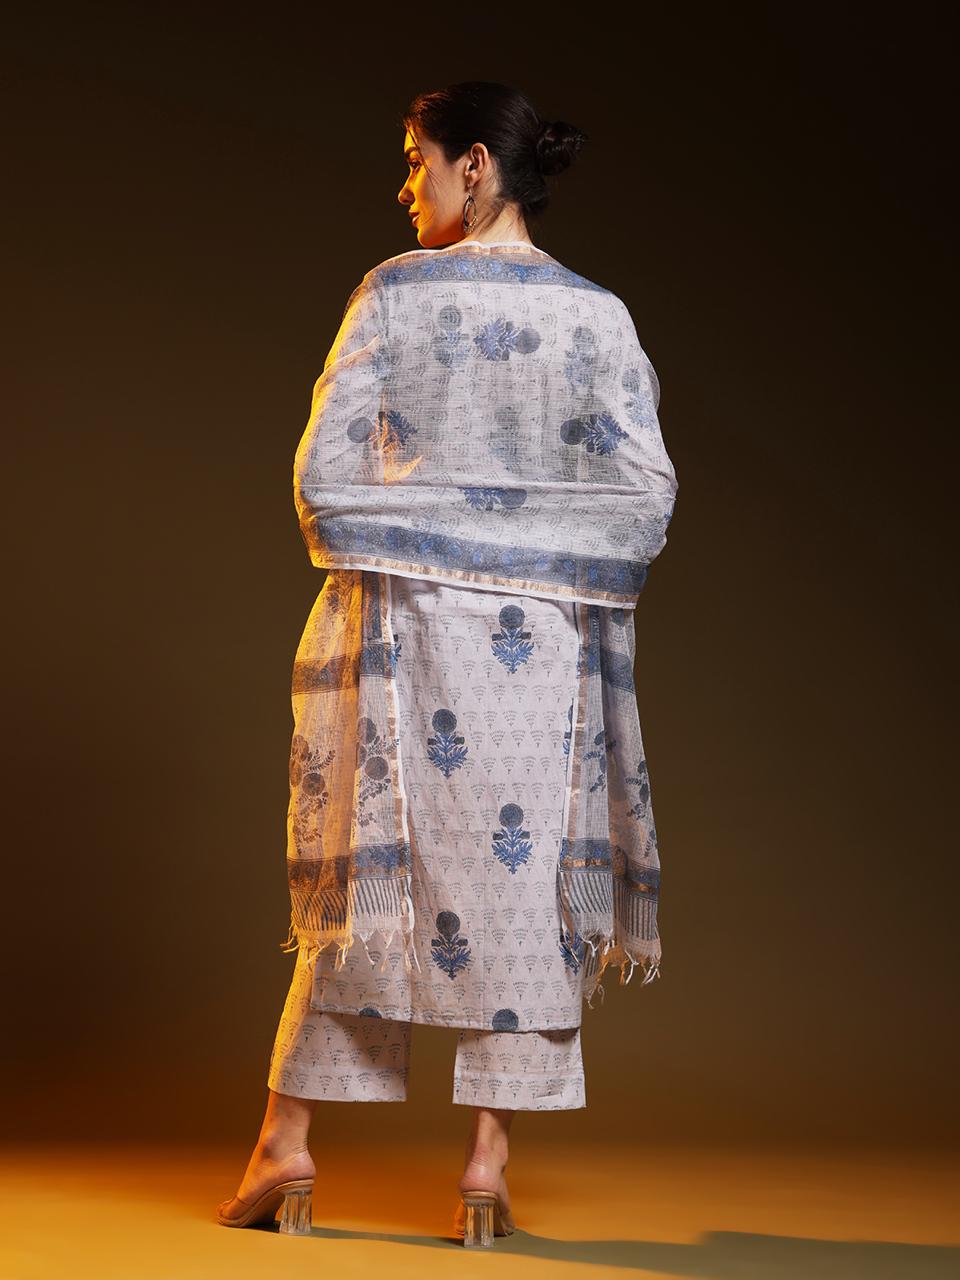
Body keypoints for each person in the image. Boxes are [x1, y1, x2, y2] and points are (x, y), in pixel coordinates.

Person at [216, 80, 678, 1248]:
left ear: (476, 165)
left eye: (415, 160)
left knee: (370, 889)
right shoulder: (598, 317)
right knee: (522, 893)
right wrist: (524, 537)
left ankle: (287, 1145)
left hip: (402, 637)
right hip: (542, 653)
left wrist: (433, 528)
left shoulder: (392, 293)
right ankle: (485, 1165)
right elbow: (642, 502)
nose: (404, 184)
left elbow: (324, 483)